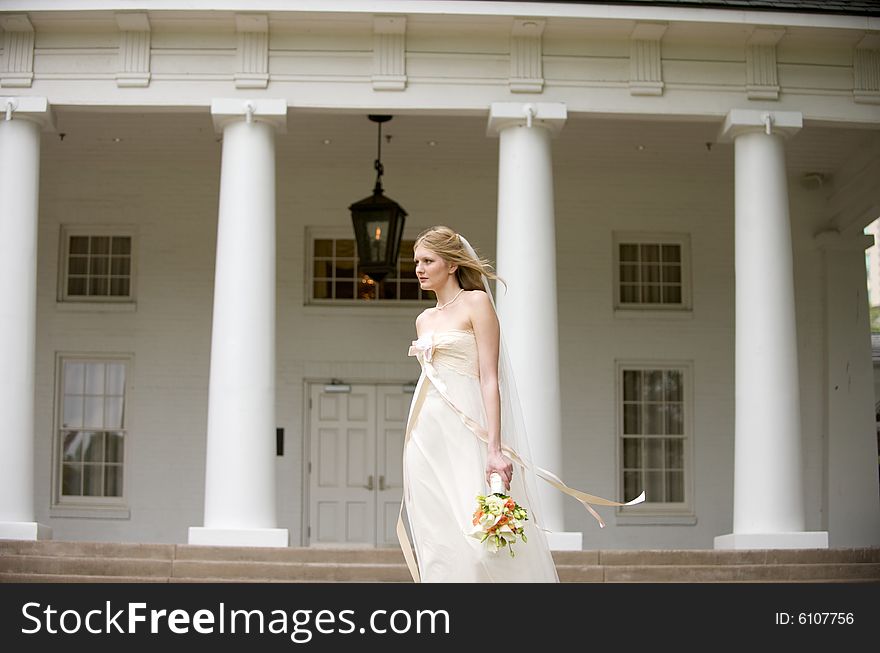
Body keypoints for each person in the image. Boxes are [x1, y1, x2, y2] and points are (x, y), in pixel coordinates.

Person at [397, 226, 644, 583]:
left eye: (428, 260)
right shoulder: (424, 319)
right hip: (427, 435)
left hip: (469, 432)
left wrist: (495, 449)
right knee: (438, 538)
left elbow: (488, 378)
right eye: (416, 261)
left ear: (451, 265)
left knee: (483, 540)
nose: (419, 268)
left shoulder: (476, 303)